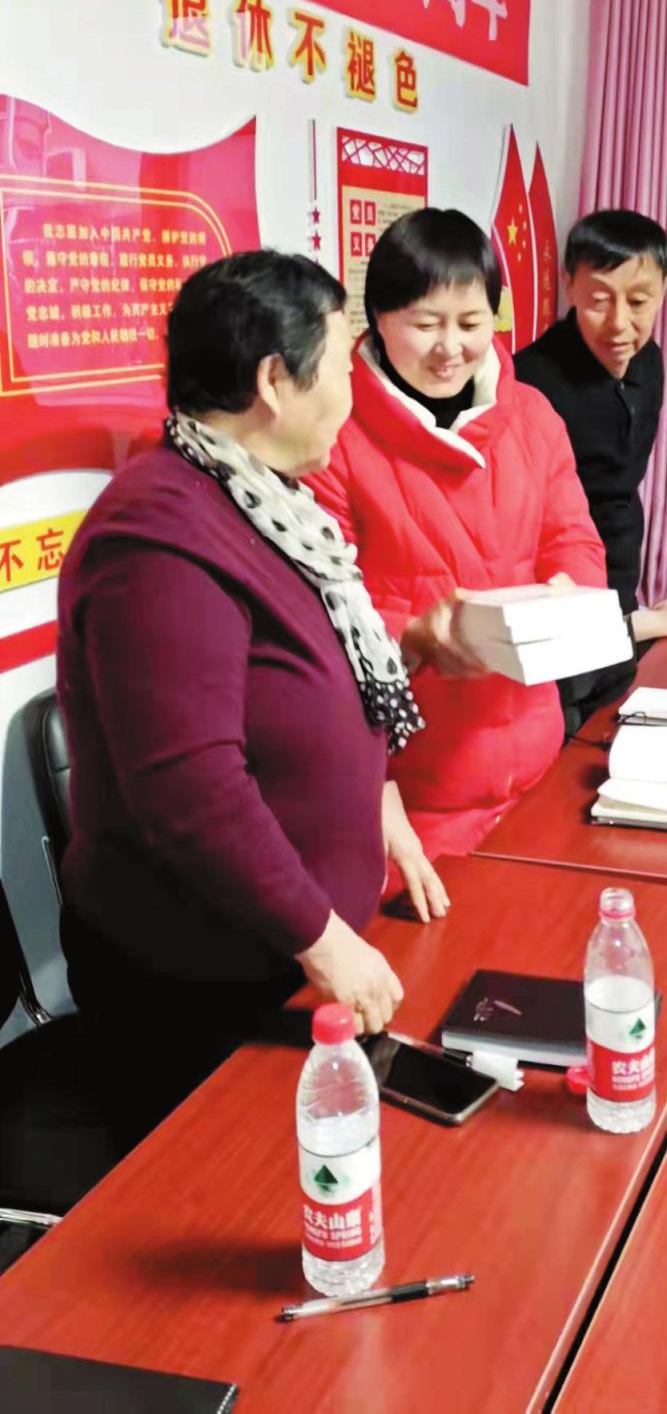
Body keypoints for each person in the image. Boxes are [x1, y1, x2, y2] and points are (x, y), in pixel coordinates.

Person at [58, 251, 445, 1151]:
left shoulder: (263, 501)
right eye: (343, 366)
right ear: (275, 381)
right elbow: (191, 793)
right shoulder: (157, 533)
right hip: (202, 982)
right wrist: (324, 940)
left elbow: (309, 689)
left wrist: (374, 798)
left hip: (288, 958)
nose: (354, 393)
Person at [310, 208, 608, 863]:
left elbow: (574, 540)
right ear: (378, 317)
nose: (450, 347)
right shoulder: (333, 437)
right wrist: (414, 633)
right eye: (426, 324)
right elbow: (320, 609)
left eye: (471, 324)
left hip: (536, 765)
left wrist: (571, 594)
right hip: (411, 795)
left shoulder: (533, 417)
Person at [515, 209, 667, 731]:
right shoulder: (529, 384)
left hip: (621, 589)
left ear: (666, 289)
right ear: (569, 285)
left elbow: (620, 491)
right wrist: (643, 623)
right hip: (557, 612)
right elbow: (530, 540)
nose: (620, 323)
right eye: (599, 300)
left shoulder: (650, 363)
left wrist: (634, 616)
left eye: (639, 301)